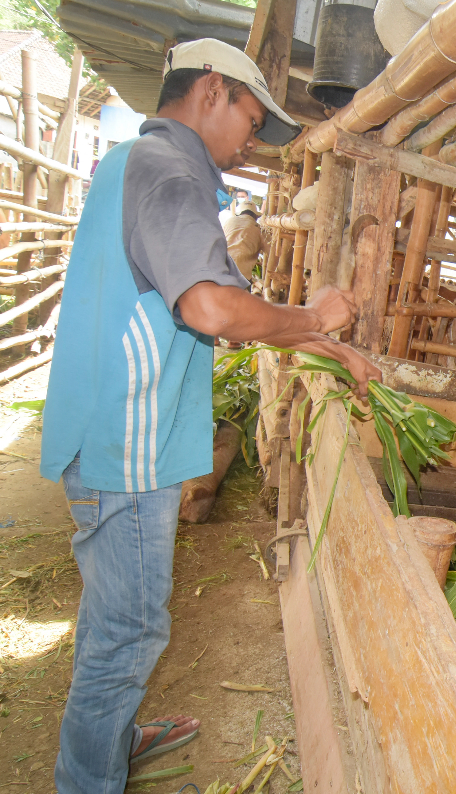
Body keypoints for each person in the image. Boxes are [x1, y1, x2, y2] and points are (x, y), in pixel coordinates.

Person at [39, 38, 382, 794]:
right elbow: (210, 307)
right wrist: (316, 310)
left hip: (116, 432)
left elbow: (228, 317)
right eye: (252, 119)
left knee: (114, 617)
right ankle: (86, 780)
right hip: (124, 445)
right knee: (129, 632)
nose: (252, 140)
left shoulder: (154, 167)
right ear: (210, 92)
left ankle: (113, 739)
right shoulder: (168, 172)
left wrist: (329, 345)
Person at [224, 198, 263, 281]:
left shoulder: (229, 221)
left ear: (240, 213)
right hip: (241, 274)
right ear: (256, 216)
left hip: (222, 264)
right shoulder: (258, 229)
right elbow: (270, 252)